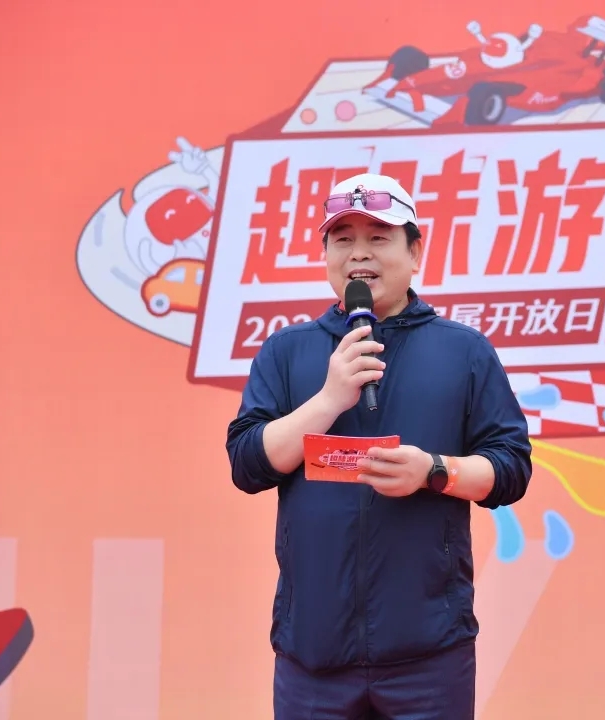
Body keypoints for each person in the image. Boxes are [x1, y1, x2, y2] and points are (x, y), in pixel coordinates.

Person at [226, 173, 533, 720]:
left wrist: (434, 470)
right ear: (325, 255)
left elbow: (511, 468)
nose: (359, 254)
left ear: (415, 252)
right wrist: (328, 399)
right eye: (343, 239)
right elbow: (248, 464)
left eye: (378, 238)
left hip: (429, 652)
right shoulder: (287, 352)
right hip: (313, 654)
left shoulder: (463, 351)